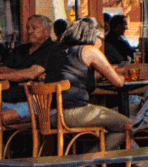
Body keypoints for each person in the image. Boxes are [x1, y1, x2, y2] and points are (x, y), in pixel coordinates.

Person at [56, 19, 133, 149]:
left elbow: (74, 75)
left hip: (50, 114)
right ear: (93, 36)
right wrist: (120, 73)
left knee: (112, 122)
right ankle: (86, 164)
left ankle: (141, 164)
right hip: (73, 113)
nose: (102, 43)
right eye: (101, 39)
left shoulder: (58, 51)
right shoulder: (90, 50)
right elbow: (119, 83)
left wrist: (100, 74)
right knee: (126, 126)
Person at [0, 13, 67, 124]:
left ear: (46, 31)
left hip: (36, 102)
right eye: (28, 28)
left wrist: (3, 76)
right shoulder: (21, 49)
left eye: (34, 28)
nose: (29, 31)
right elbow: (2, 69)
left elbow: (32, 73)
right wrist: (23, 74)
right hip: (7, 99)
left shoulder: (53, 49)